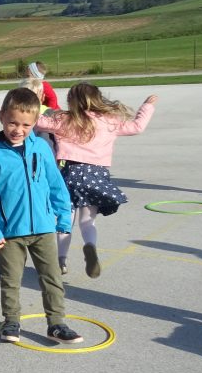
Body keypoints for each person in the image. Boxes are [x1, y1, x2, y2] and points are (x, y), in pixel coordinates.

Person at [0, 88, 80, 344]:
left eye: (26, 125)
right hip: (9, 233)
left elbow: (56, 184)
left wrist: (63, 218)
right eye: (12, 122)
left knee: (52, 278)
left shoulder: (41, 148)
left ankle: (56, 323)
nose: (18, 129)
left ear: (35, 123)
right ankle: (11, 321)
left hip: (43, 228)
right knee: (11, 281)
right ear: (1, 117)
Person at [36, 84, 158, 278]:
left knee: (65, 221)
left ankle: (61, 261)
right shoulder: (109, 120)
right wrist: (147, 106)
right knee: (87, 221)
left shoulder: (64, 119)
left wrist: (35, 100)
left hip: (70, 174)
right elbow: (137, 127)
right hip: (96, 175)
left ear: (71, 101)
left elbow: (38, 123)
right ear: (98, 99)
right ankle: (90, 246)